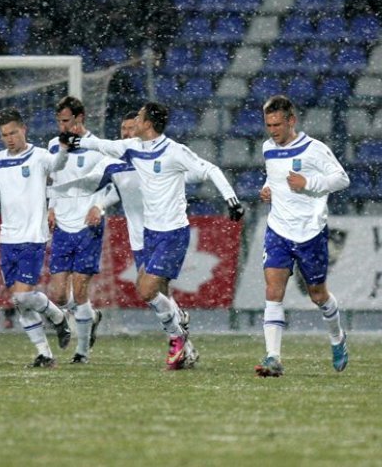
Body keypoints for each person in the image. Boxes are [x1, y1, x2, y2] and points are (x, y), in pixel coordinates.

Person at [66, 102, 244, 370]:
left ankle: (176, 337)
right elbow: (103, 145)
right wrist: (78, 140)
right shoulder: (134, 148)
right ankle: (182, 340)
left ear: (148, 123)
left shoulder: (174, 151)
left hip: (173, 232)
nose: (134, 121)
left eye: (137, 117)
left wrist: (232, 200)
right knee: (152, 291)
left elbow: (210, 169)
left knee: (146, 289)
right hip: (150, 233)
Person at [255, 95, 350, 377]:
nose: (272, 131)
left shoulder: (314, 149)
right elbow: (275, 176)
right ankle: (273, 357)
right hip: (278, 230)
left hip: (310, 232)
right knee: (273, 291)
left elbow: (342, 179)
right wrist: (267, 188)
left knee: (318, 295)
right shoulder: (268, 148)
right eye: (268, 125)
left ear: (291, 121)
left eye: (277, 125)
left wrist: (310, 183)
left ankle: (338, 339)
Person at [0, 107, 72, 368]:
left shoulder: (40, 156)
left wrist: (64, 149)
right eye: (4, 135)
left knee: (22, 296)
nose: (9, 138)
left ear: (24, 130)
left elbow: (57, 165)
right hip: (8, 238)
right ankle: (45, 354)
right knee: (20, 302)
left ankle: (56, 316)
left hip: (33, 235)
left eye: (13, 132)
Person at [46, 96, 115, 364]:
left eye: (66, 120)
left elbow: (110, 184)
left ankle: (82, 351)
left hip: (88, 225)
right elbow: (54, 179)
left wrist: (98, 206)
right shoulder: (54, 145)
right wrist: (51, 206)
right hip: (63, 224)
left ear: (80, 118)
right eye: (59, 121)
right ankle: (92, 316)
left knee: (80, 288)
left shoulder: (97, 148)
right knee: (61, 295)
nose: (61, 126)